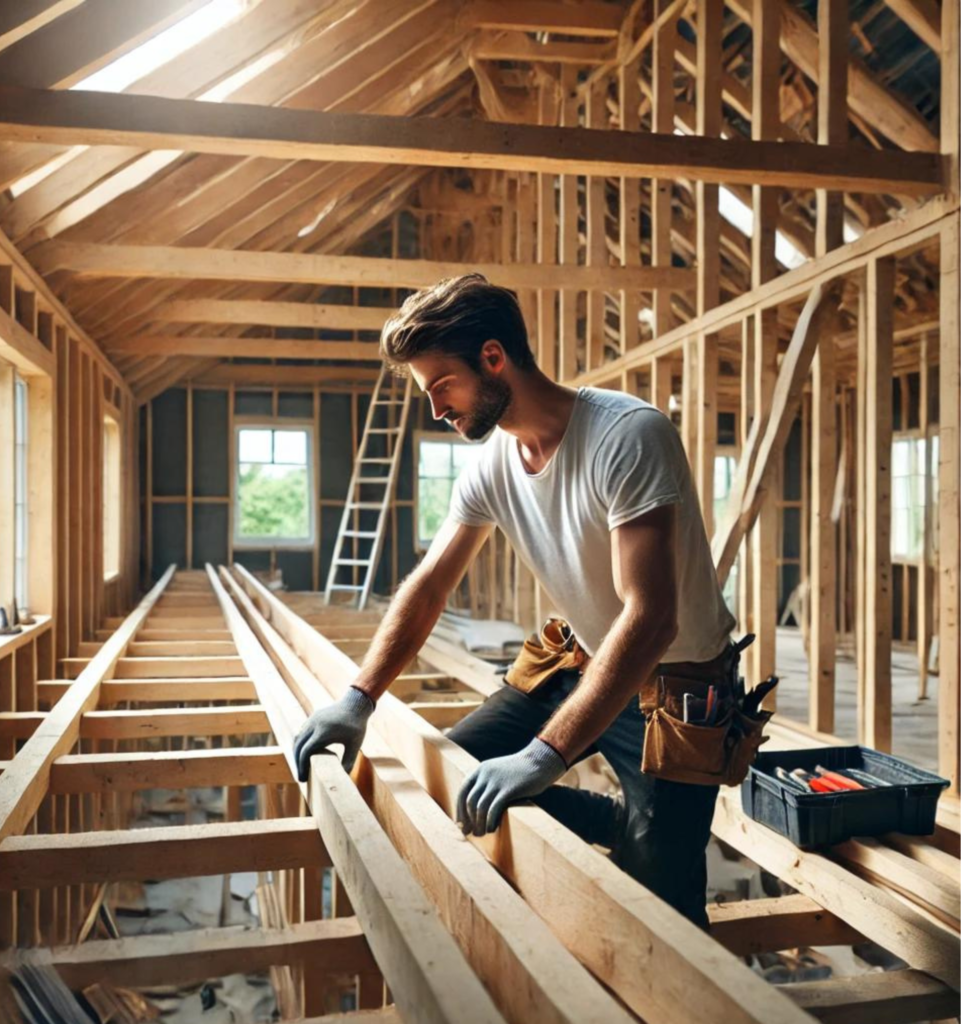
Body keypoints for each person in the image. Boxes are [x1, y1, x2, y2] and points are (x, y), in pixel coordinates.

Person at [293, 273, 737, 927]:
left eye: (442, 386)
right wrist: (358, 700)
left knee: (660, 903)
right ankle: (613, 817)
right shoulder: (492, 466)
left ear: (493, 359)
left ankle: (642, 836)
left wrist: (542, 757)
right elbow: (429, 586)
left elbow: (650, 619)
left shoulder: (628, 436)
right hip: (584, 660)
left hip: (677, 687)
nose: (437, 409)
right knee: (452, 774)